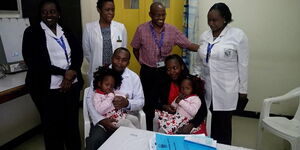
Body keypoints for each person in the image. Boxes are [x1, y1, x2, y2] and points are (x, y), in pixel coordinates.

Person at [22, 0, 83, 149]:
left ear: (59, 14)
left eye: (52, 11)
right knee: (52, 129)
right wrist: (64, 73)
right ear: (40, 14)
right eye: (44, 12)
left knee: (71, 125)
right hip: (46, 90)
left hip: (71, 87)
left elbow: (78, 53)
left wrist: (72, 72)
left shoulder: (66, 30)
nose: (49, 15)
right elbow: (34, 62)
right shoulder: (32, 32)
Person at [131, 2, 200, 131]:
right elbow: (135, 48)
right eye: (157, 15)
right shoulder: (141, 29)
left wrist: (204, 49)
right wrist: (142, 62)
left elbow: (188, 44)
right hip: (148, 70)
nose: (161, 18)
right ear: (150, 14)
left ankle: (164, 125)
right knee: (148, 101)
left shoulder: (172, 30)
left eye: (163, 14)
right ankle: (148, 129)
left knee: (164, 99)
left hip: (166, 71)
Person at [194, 3, 249, 145]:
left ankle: (223, 147)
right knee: (208, 122)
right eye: (209, 20)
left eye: (215, 20)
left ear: (224, 19)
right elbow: (199, 60)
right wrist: (196, 78)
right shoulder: (204, 36)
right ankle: (208, 146)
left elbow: (243, 65)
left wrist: (243, 91)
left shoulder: (237, 35)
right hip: (207, 87)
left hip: (227, 89)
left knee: (223, 126)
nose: (211, 23)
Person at [85, 47, 144, 150]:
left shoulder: (134, 78)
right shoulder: (101, 74)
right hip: (102, 118)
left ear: (128, 63)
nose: (120, 62)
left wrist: (127, 103)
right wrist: (101, 120)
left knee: (130, 140)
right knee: (95, 140)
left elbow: (141, 102)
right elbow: (90, 100)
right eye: (117, 58)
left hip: (123, 117)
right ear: (112, 58)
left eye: (124, 60)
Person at [154, 54, 207, 135]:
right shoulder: (164, 82)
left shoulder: (192, 82)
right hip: (171, 119)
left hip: (193, 120)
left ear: (182, 67)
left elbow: (203, 110)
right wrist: (163, 106)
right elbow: (152, 101)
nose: (171, 72)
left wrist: (191, 124)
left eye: (175, 68)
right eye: (168, 69)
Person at [83, 0, 127, 83]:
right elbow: (87, 52)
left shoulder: (121, 27)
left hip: (116, 70)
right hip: (97, 70)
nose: (110, 12)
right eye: (107, 10)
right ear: (99, 10)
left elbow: (123, 49)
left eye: (112, 10)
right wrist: (98, 60)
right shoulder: (89, 28)